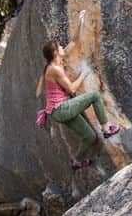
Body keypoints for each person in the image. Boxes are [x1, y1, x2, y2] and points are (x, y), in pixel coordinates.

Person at [36, 39, 120, 169]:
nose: (63, 47)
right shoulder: (54, 69)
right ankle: (107, 129)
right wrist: (83, 75)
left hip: (58, 111)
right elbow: (72, 89)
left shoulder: (53, 64)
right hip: (61, 109)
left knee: (90, 137)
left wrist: (80, 23)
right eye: (60, 47)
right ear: (55, 53)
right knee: (95, 96)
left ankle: (77, 161)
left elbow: (70, 46)